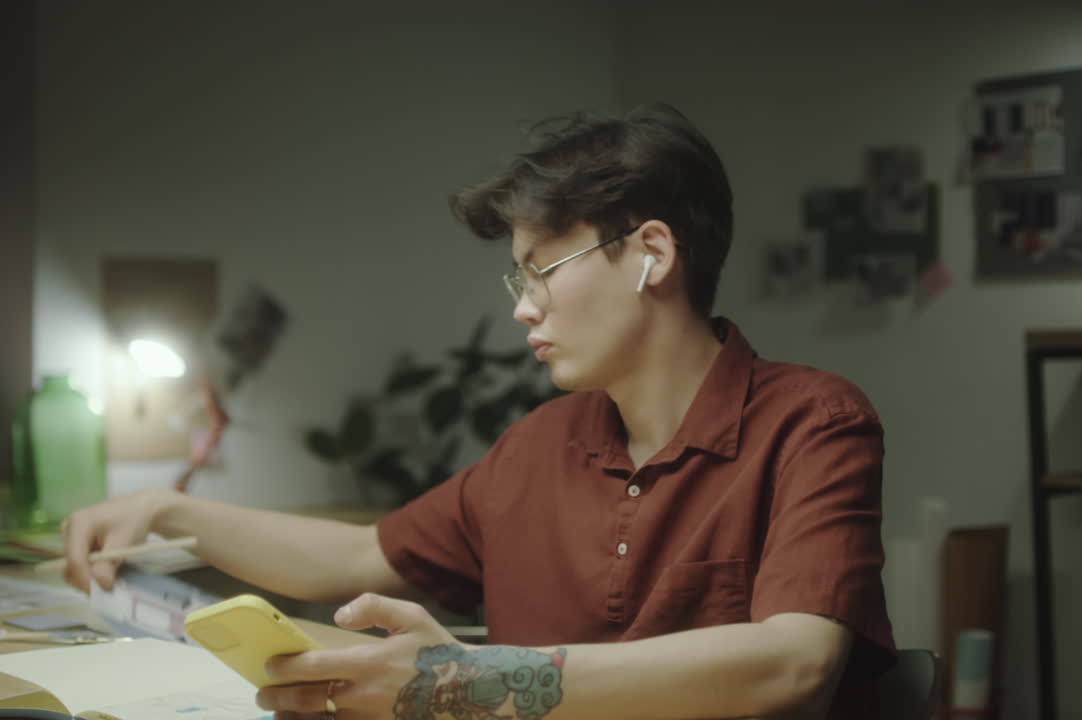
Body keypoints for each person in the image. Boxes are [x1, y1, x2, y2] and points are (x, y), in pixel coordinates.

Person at [61, 103, 895, 720]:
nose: (523, 309)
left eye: (541, 270)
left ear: (651, 255)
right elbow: (359, 555)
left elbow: (792, 664)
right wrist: (170, 512)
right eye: (517, 280)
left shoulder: (812, 423)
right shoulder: (542, 446)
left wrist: (463, 680)